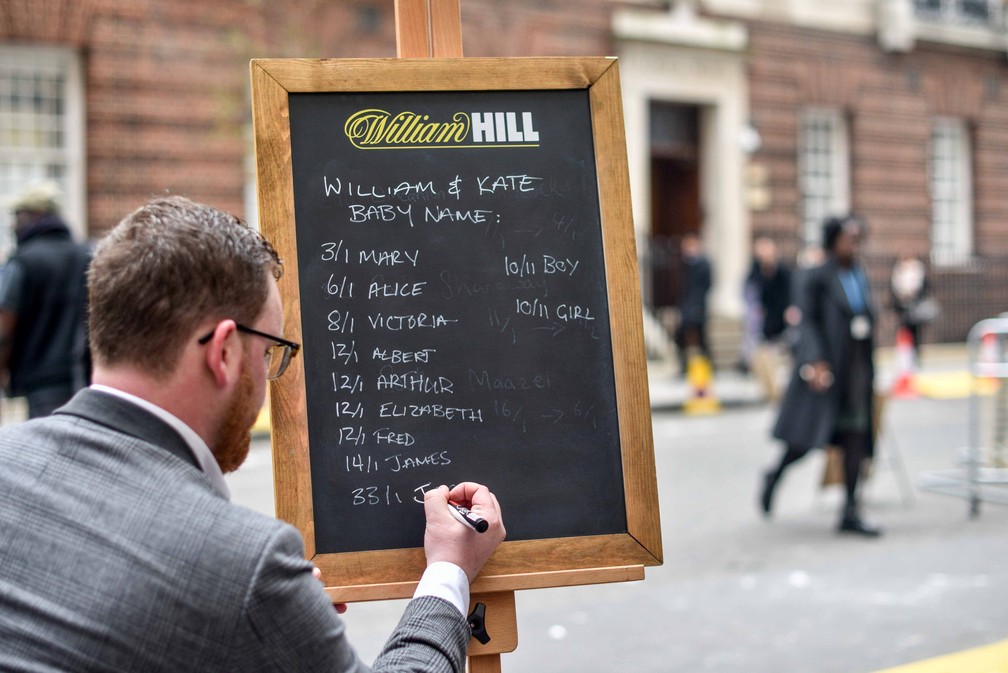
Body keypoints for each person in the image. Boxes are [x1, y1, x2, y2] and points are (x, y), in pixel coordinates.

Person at [0, 196, 506, 671]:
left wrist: (266, 616)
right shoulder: (243, 565)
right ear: (223, 352)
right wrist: (449, 571)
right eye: (269, 353)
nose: (270, 376)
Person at [760, 214, 881, 537]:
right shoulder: (814, 276)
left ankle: (850, 510)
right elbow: (806, 323)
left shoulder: (859, 274)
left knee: (855, 439)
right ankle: (774, 476)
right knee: (803, 441)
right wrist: (814, 361)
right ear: (833, 240)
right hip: (826, 371)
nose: (855, 245)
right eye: (849, 239)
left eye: (858, 239)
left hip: (855, 372)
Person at [0, 180, 92, 417]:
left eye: (18, 215)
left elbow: (4, 327)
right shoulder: (87, 255)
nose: (13, 224)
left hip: (39, 385)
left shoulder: (22, 261)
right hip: (85, 381)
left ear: (36, 215)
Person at [674, 232, 713, 375]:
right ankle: (684, 366)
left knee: (701, 338)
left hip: (697, 307)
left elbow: (706, 286)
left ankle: (707, 367)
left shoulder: (703, 264)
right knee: (681, 337)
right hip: (686, 306)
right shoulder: (684, 264)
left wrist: (697, 305)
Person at [890, 252, 933, 363]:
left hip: (915, 308)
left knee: (915, 333)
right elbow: (893, 289)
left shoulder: (918, 270)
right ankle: (905, 357)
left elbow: (925, 288)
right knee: (903, 332)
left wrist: (913, 295)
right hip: (903, 308)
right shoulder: (898, 271)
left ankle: (915, 356)